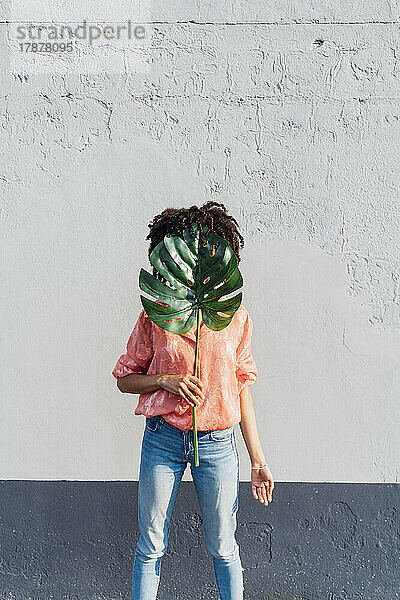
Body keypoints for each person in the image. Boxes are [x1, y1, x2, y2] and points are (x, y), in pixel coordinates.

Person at [112, 201, 274, 600]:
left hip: (217, 443)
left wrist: (258, 461)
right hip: (163, 438)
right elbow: (124, 380)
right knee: (150, 545)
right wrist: (164, 380)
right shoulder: (156, 316)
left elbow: (242, 388)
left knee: (223, 547)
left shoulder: (234, 317)